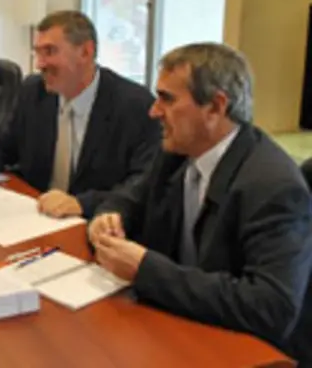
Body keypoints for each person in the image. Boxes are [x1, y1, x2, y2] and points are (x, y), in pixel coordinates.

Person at [89, 42, 312, 365]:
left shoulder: (273, 185)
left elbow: (271, 307)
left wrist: (146, 269)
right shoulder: (176, 153)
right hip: (182, 327)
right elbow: (129, 197)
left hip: (251, 353)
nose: (153, 111)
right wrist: (110, 216)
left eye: (167, 98)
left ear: (215, 107)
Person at [0, 10, 159, 218]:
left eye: (50, 52)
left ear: (86, 52)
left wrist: (82, 204)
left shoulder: (134, 105)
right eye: (38, 53)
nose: (40, 64)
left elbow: (142, 184)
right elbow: (3, 146)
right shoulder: (33, 91)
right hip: (36, 215)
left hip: (94, 225)